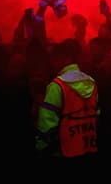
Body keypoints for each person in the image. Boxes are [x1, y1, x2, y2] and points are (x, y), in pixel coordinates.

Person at [35, 38, 100, 176]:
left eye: (54, 58)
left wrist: (42, 149)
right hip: (88, 148)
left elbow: (47, 123)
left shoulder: (57, 86)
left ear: (64, 59)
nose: (52, 63)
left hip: (62, 153)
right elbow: (96, 114)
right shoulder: (91, 82)